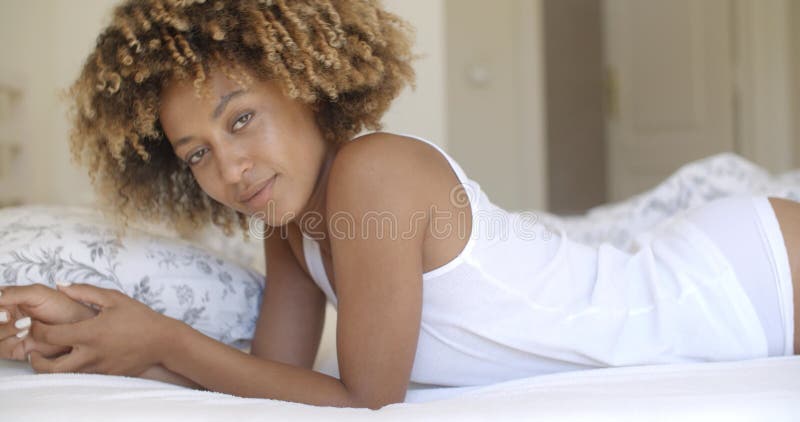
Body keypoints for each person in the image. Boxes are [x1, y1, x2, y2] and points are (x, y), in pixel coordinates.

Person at [0, 0, 798, 409]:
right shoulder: (290, 231)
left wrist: (160, 339)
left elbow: (363, 401)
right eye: (197, 155)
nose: (230, 168)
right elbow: (273, 382)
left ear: (306, 85)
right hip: (716, 280)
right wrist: (95, 325)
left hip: (736, 281)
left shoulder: (373, 174)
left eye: (241, 119)